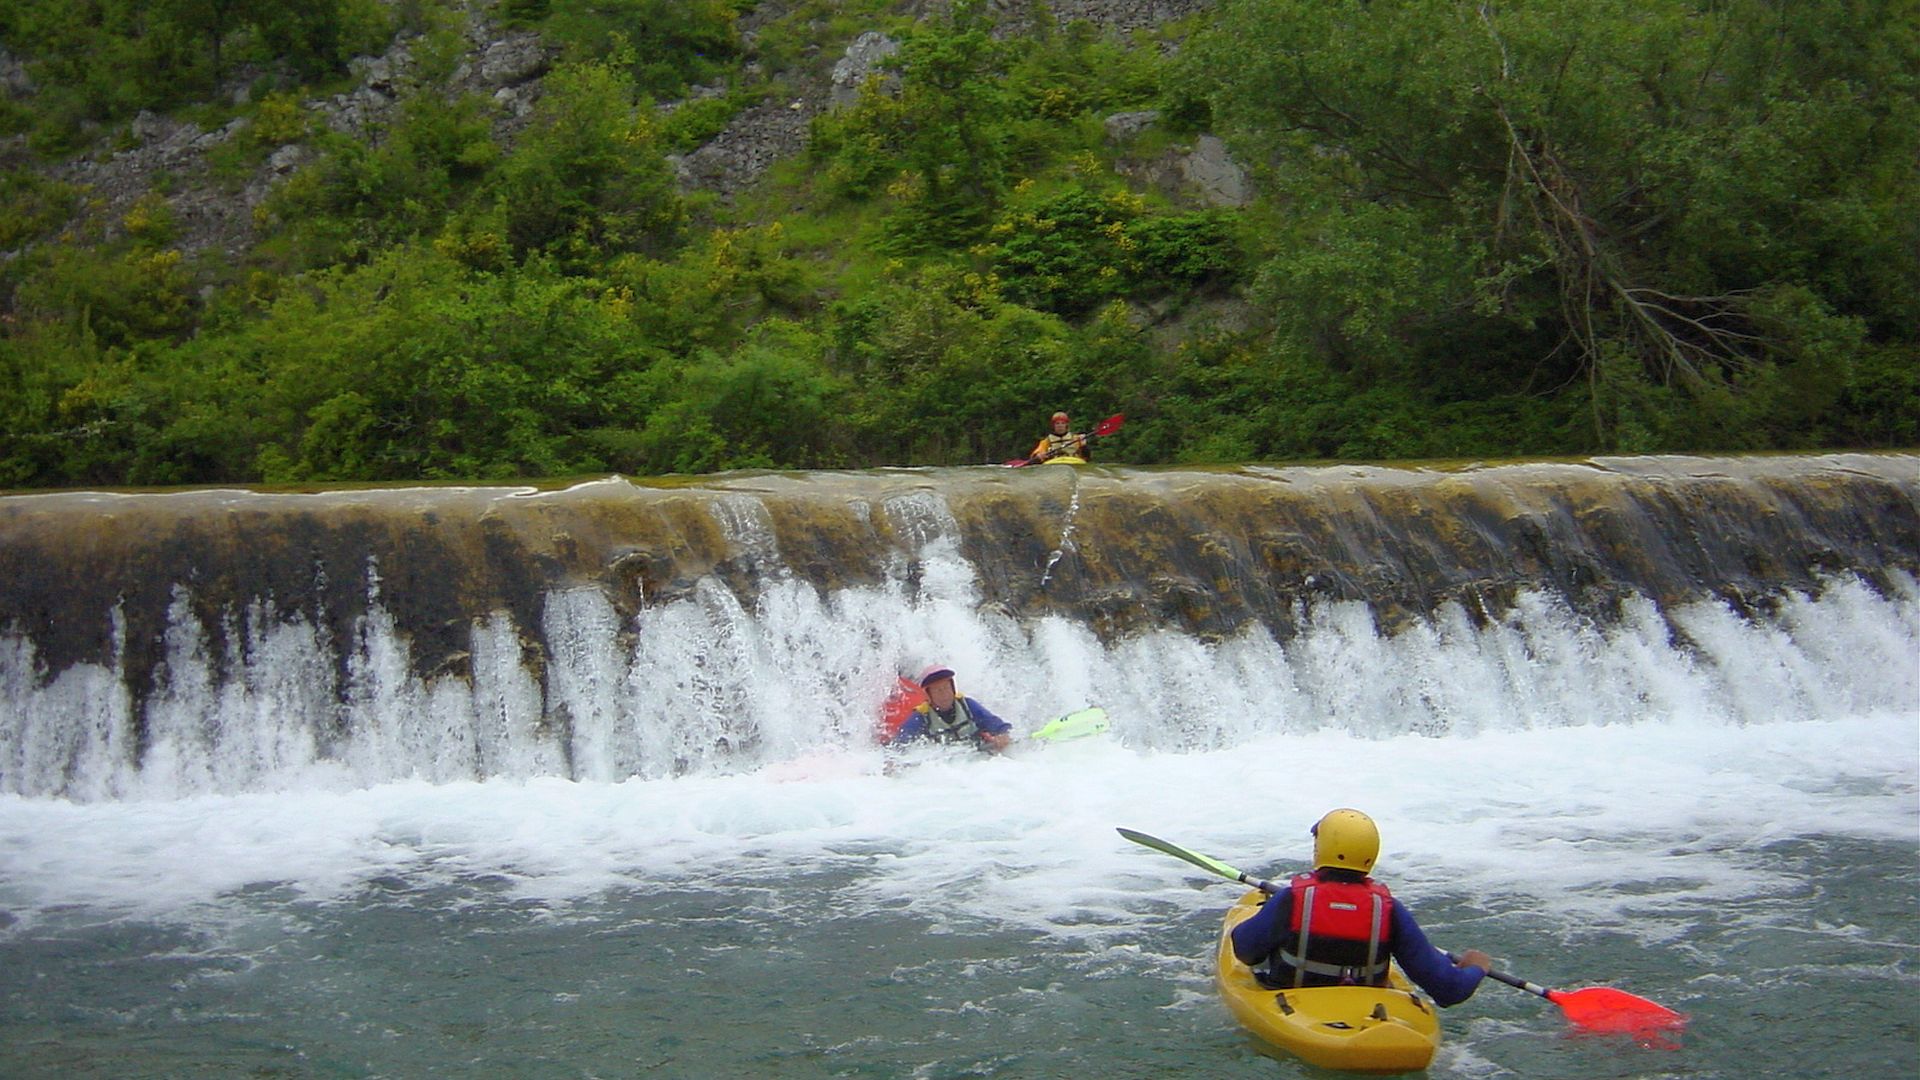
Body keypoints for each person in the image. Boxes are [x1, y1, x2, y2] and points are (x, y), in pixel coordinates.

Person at [1229, 808, 1493, 1007]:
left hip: (1295, 1004)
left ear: (1322, 848)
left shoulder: (1292, 900)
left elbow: (1245, 950)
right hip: (1368, 1011)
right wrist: (1475, 968)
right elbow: (1448, 990)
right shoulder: (1388, 910)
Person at [887, 665, 1014, 753]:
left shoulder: (968, 705)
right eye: (938, 690)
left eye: (947, 688)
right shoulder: (921, 716)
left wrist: (1003, 735)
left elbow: (996, 724)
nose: (944, 694)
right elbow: (899, 744)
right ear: (928, 695)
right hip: (946, 769)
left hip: (978, 758)